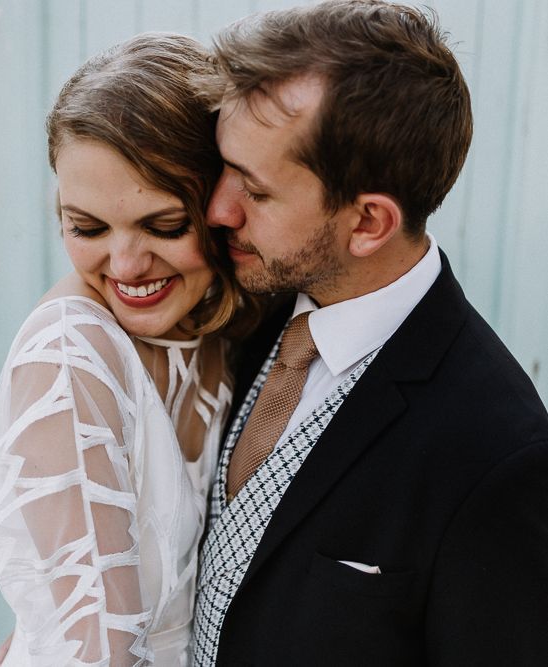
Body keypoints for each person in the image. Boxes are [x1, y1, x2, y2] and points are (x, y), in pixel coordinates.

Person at [192, 2, 548, 665]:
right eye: (224, 167)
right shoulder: (237, 303)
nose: (217, 209)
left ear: (367, 222)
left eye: (257, 191)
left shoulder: (498, 454)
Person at [0, 33, 255, 666]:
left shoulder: (224, 329)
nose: (128, 265)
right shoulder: (69, 357)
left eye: (164, 226)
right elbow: (99, 654)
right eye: (86, 228)